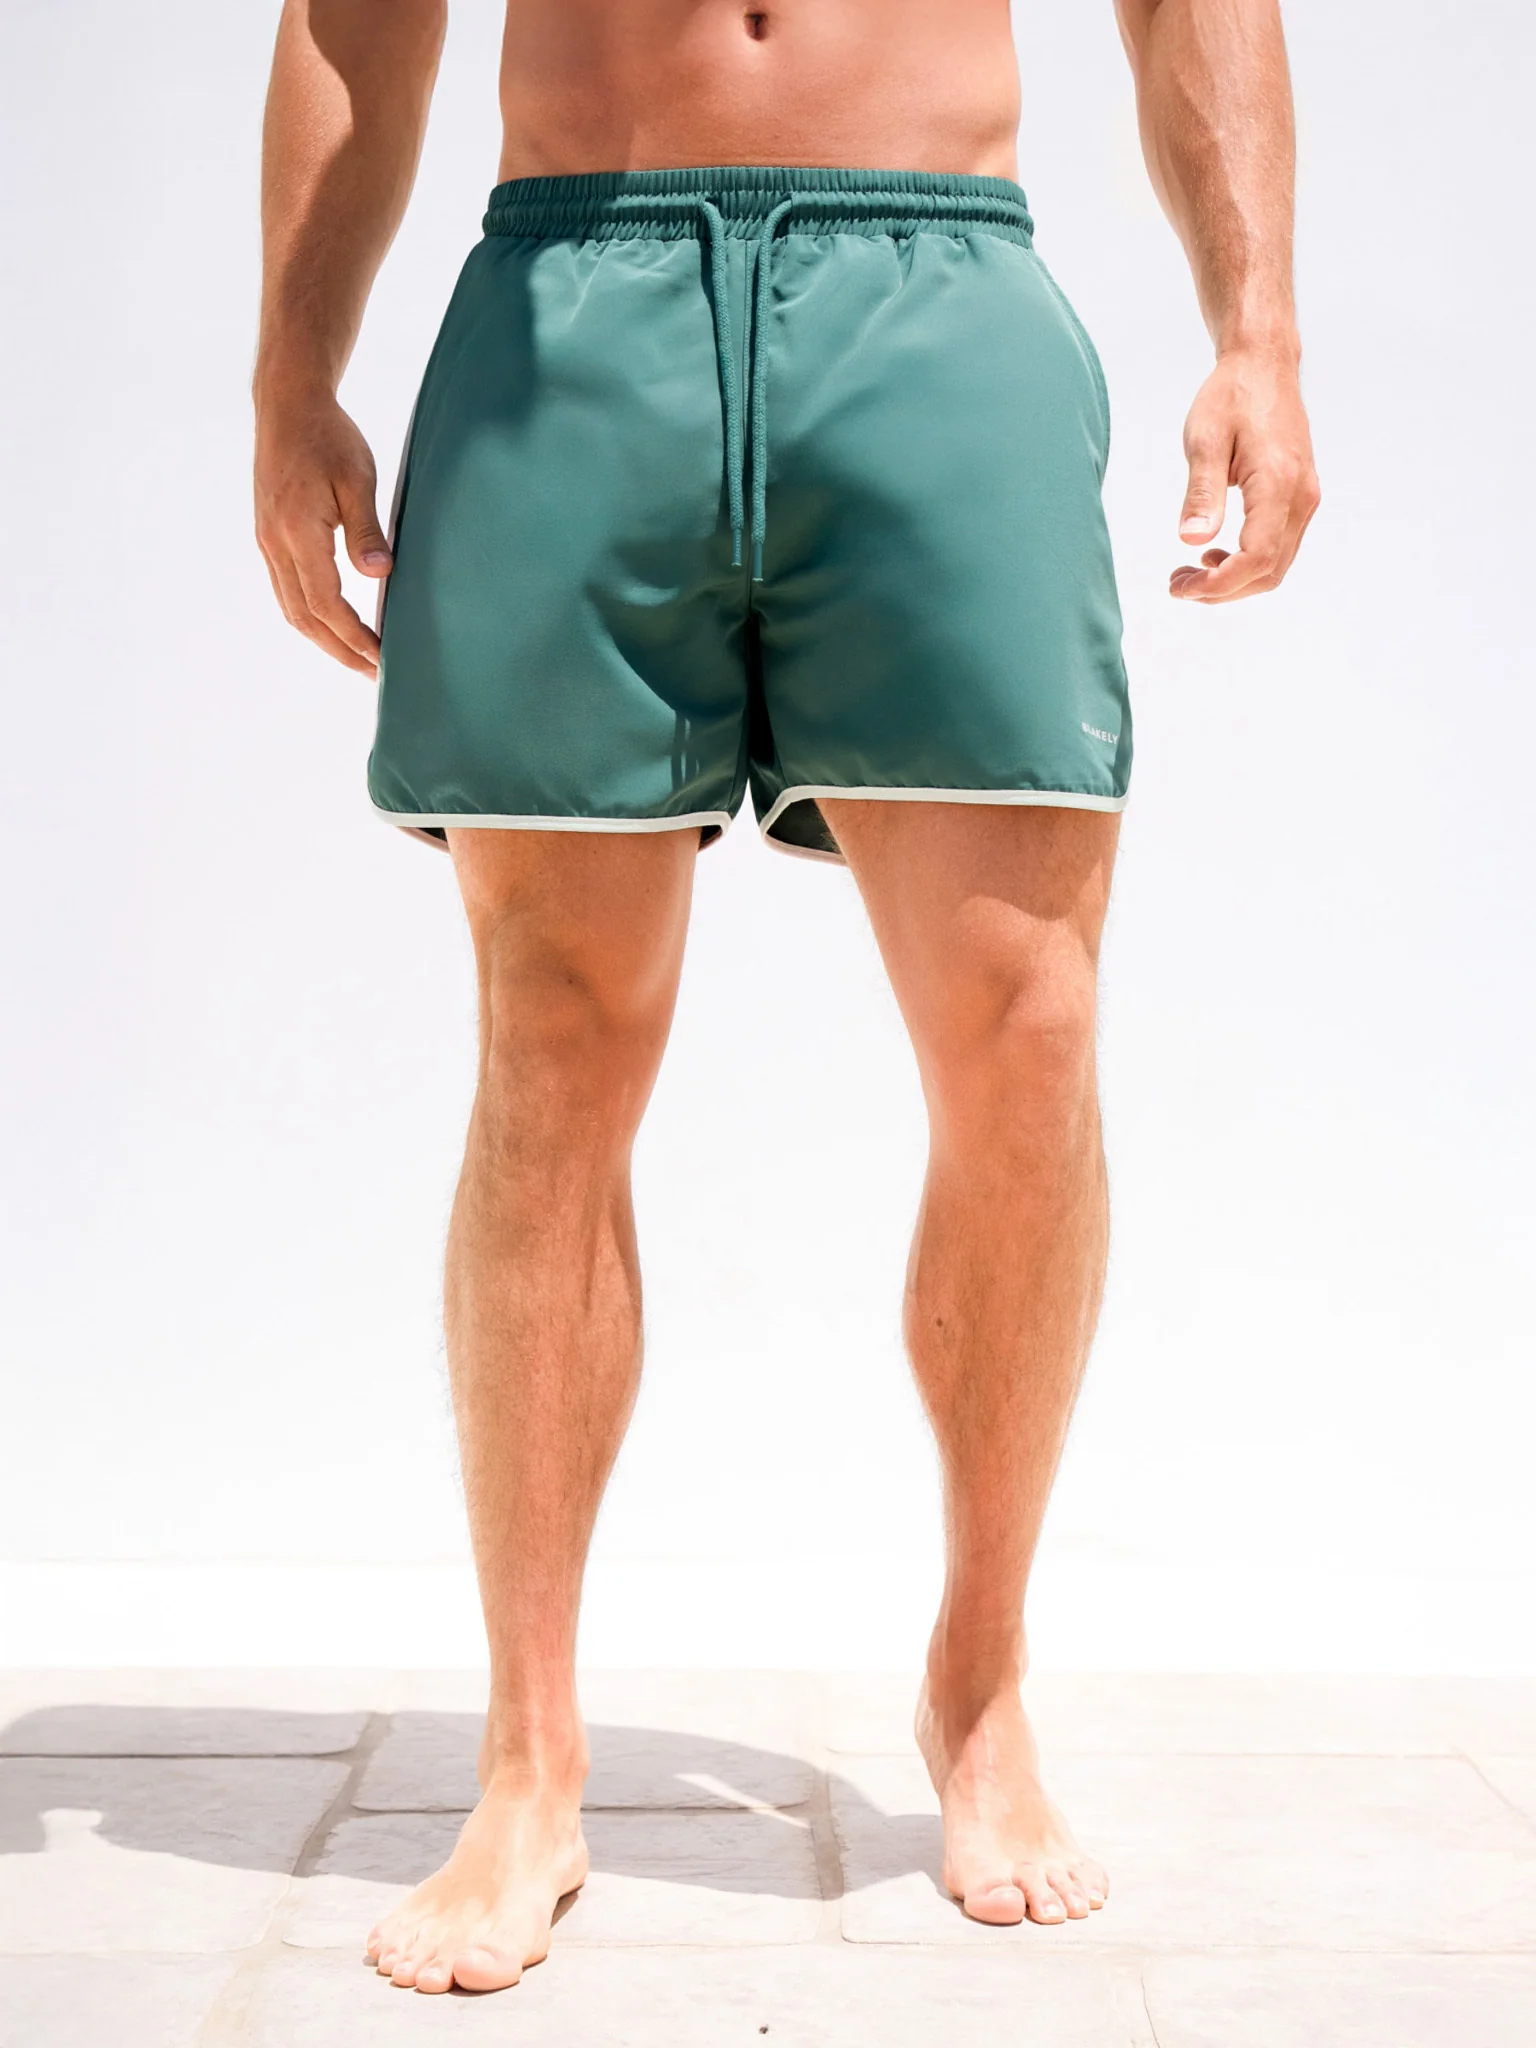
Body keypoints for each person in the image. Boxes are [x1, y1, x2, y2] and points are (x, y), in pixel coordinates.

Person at [253, 0, 1318, 1996]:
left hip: (936, 287)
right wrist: (290, 370)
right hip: (574, 299)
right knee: (551, 1048)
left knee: (1030, 1034)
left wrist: (1256, 332)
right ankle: (530, 1754)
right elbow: (355, 18)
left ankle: (980, 1681)